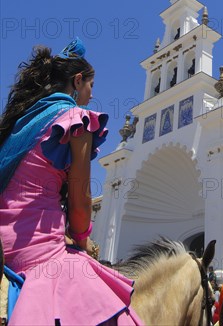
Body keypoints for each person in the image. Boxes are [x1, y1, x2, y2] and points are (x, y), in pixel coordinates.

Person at [0, 39, 143, 325]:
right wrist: (82, 239)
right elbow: (80, 205)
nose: (91, 95)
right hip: (40, 254)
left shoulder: (17, 124)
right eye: (91, 86)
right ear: (77, 81)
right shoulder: (76, 120)